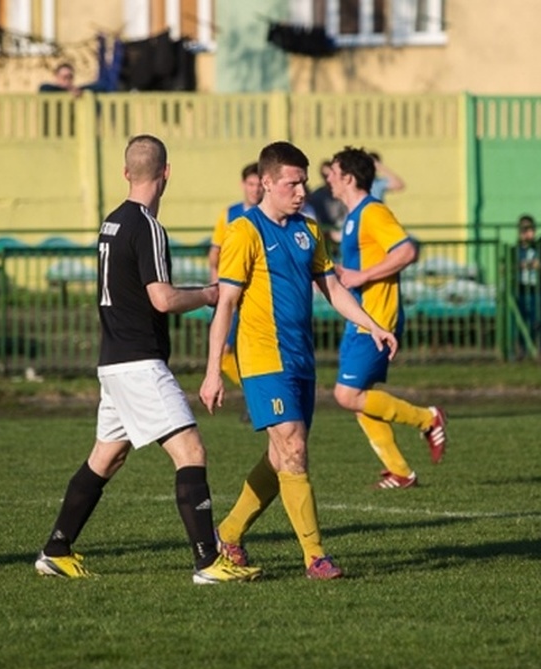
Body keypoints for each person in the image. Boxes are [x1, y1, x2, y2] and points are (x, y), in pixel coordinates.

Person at [33, 134, 261, 585]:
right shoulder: (147, 226)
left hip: (114, 360)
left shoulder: (111, 222)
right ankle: (208, 562)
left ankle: (56, 550)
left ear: (125, 173)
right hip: (139, 362)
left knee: (107, 458)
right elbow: (162, 299)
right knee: (191, 451)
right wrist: (210, 294)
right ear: (167, 173)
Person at [199, 141, 399, 580]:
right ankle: (315, 557)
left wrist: (372, 325)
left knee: (281, 454)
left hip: (300, 359)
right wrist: (213, 371)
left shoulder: (308, 229)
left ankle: (227, 534)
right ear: (267, 183)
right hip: (262, 359)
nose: (302, 191)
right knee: (293, 446)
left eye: (304, 182)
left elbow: (333, 288)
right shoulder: (243, 231)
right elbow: (226, 303)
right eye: (292, 183)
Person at [327, 146, 448, 489]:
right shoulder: (353, 217)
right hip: (361, 319)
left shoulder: (372, 211)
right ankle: (401, 472)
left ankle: (428, 419)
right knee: (358, 397)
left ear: (349, 178)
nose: (328, 178)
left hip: (378, 318)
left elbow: (406, 251)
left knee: (347, 395)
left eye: (333, 173)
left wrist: (362, 276)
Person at [207, 162, 264, 391]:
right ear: (243, 184)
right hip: (231, 290)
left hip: (256, 293)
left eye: (259, 185)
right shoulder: (230, 214)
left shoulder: (271, 216)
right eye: (251, 184)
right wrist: (216, 281)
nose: (255, 189)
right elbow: (215, 252)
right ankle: (253, 392)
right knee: (224, 350)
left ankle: (258, 393)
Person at [515, 215, 541, 357]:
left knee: (535, 320)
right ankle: (522, 349)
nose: (527, 234)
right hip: (521, 286)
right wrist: (521, 265)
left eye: (530, 230)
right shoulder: (516, 249)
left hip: (535, 287)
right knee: (521, 319)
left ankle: (536, 347)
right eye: (524, 230)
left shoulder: (538, 248)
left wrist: (539, 265)